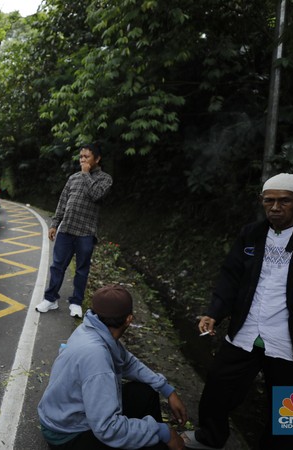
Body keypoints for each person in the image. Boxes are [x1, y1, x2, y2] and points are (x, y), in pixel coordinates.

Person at [182, 173, 293, 450]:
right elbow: (230, 276)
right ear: (261, 201)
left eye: (285, 201)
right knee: (218, 387)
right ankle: (210, 436)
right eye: (269, 201)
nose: (276, 208)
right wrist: (215, 312)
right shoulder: (251, 233)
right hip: (248, 331)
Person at [38, 284, 188, 450]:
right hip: (68, 434)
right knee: (156, 444)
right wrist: (162, 432)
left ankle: (156, 437)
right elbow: (107, 429)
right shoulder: (97, 358)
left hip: (69, 414)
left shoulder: (91, 328)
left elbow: (127, 362)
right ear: (129, 319)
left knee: (146, 392)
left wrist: (167, 389)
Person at [36, 143, 113, 318]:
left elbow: (96, 194)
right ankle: (50, 299)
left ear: (97, 159)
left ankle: (76, 302)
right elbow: (63, 202)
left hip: (86, 232)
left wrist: (86, 174)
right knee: (57, 266)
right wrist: (55, 223)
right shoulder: (73, 178)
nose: (82, 160)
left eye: (86, 157)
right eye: (81, 157)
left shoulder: (105, 179)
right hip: (66, 229)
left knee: (81, 269)